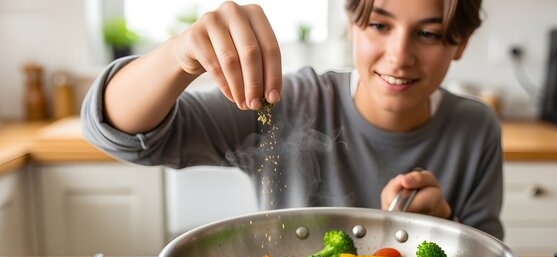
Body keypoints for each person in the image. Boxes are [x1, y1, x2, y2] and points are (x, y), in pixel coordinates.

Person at [81, 0, 504, 239]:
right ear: (352, 26)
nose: (399, 55)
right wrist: (178, 55)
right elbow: (117, 133)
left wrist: (445, 227)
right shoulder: (285, 102)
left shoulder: (475, 128)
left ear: (460, 44)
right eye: (379, 24)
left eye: (428, 33)